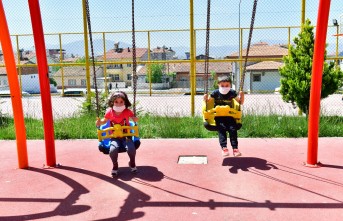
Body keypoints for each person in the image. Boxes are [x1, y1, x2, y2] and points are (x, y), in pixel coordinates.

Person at [96, 91, 139, 177]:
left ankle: (132, 162)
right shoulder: (109, 112)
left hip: (127, 136)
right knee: (112, 150)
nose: (119, 104)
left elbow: (133, 119)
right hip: (114, 137)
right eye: (116, 102)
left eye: (121, 102)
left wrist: (135, 119)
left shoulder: (127, 111)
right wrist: (99, 122)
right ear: (112, 102)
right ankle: (115, 165)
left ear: (125, 102)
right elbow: (104, 121)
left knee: (131, 148)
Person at [203, 76, 244, 157]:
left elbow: (240, 102)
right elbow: (208, 102)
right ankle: (224, 148)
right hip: (218, 115)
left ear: (230, 85)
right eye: (222, 85)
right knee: (222, 129)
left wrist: (242, 96)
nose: (225, 87)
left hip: (229, 115)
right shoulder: (215, 93)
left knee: (232, 129)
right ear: (218, 85)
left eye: (227, 85)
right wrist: (205, 98)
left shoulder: (232, 93)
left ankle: (235, 149)